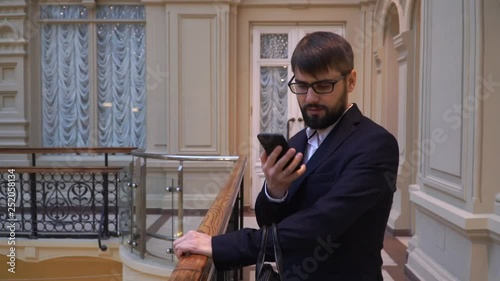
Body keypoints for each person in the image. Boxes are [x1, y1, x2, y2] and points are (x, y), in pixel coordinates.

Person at [174, 31, 399, 280]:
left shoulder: (375, 144)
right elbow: (266, 221)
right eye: (302, 86)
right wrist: (275, 190)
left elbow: (321, 225)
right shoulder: (297, 141)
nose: (310, 98)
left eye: (324, 85)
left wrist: (220, 245)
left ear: (351, 81)